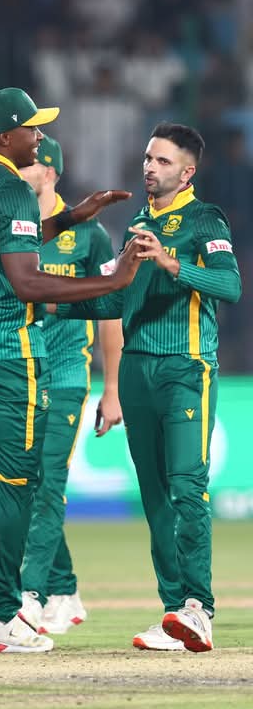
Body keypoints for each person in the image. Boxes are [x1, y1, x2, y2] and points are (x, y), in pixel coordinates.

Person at [0, 87, 143, 653]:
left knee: (13, 481)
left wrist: (72, 217)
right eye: (32, 128)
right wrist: (114, 281)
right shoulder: (14, 191)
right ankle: (1, 616)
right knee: (20, 484)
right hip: (11, 351)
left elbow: (4, 245)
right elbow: (26, 281)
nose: (40, 136)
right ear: (6, 136)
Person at [55, 122, 242, 652]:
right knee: (156, 495)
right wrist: (49, 301)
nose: (150, 168)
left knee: (187, 486)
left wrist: (171, 262)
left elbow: (230, 285)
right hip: (137, 369)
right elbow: (119, 299)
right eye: (147, 158)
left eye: (162, 161)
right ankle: (174, 612)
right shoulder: (137, 223)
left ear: (188, 172)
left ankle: (199, 608)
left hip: (186, 368)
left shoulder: (205, 219)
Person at [16, 134, 124, 634]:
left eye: (29, 165)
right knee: (26, 484)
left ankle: (31, 596)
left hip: (64, 374)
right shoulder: (10, 229)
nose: (20, 171)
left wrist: (112, 389)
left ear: (51, 172)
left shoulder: (89, 235)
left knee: (48, 483)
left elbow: (110, 313)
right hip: (19, 372)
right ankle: (65, 590)